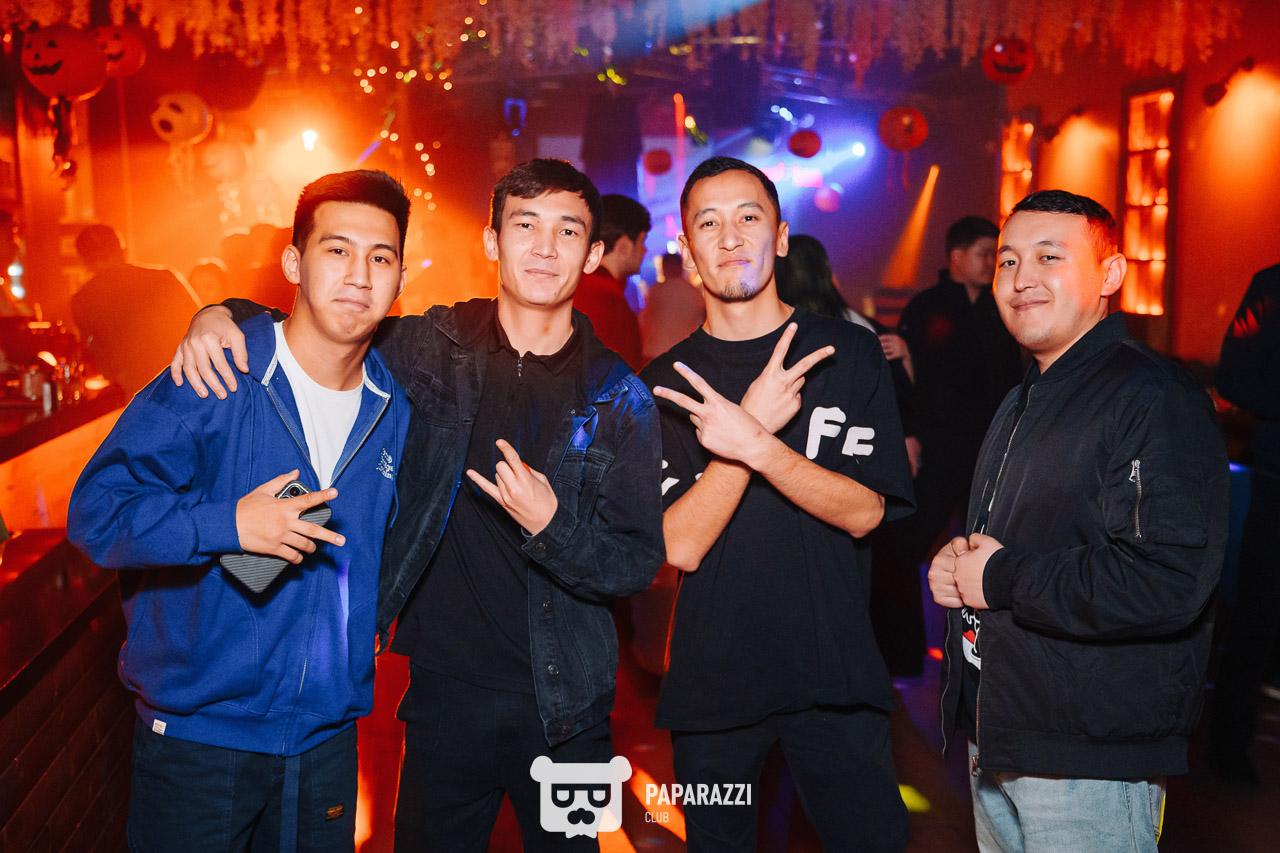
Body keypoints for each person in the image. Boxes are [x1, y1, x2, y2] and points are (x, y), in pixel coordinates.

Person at [169, 158, 665, 852]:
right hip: (442, 695)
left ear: (591, 253)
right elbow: (319, 321)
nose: (545, 248)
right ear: (492, 241)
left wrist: (552, 525)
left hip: (567, 707)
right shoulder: (433, 347)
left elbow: (637, 562)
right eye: (525, 225)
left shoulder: (620, 398)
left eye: (567, 230)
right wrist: (218, 314)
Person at [67, 169, 413, 851]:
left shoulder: (393, 406)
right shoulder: (221, 371)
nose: (359, 274)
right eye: (337, 250)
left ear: (400, 278)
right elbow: (97, 512)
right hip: (201, 741)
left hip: (324, 742)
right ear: (294, 263)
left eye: (381, 257)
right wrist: (226, 525)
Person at [928, 190, 1228, 852]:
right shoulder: (1025, 395)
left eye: (1048, 257)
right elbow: (1029, 539)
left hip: (1086, 758)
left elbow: (1167, 580)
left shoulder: (1150, 396)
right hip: (1002, 728)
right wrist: (962, 564)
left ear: (1110, 275)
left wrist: (999, 577)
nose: (1021, 278)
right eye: (1007, 261)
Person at [640, 156, 914, 851]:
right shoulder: (663, 384)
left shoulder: (848, 355)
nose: (730, 237)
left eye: (749, 217)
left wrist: (757, 443)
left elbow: (866, 512)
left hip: (835, 673)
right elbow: (681, 544)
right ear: (688, 249)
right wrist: (742, 444)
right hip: (713, 687)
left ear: (782, 236)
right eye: (709, 223)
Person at [877, 216, 1022, 676]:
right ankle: (900, 656)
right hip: (939, 449)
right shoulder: (926, 307)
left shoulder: (1002, 308)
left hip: (991, 451)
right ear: (957, 257)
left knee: (990, 553)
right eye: (985, 253)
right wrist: (910, 436)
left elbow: (1013, 378)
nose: (992, 262)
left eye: (996, 255)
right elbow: (904, 382)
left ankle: (988, 662)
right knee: (908, 543)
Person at [1208, 261, 1280, 787]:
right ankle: (1228, 741)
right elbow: (1233, 375)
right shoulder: (1273, 285)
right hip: (1278, 476)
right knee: (1260, 613)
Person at [72, 223, 202, 394]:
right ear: (123, 251)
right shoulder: (165, 278)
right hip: (186, 386)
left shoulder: (83, 300)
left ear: (83, 261)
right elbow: (203, 329)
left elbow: (94, 360)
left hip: (131, 397)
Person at [572, 193, 649, 368]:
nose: (645, 250)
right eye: (642, 241)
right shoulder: (607, 300)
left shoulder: (578, 286)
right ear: (624, 246)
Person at [638, 252, 705, 365]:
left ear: (665, 268)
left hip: (656, 355)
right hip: (685, 356)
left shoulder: (656, 290)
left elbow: (643, 321)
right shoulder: (694, 293)